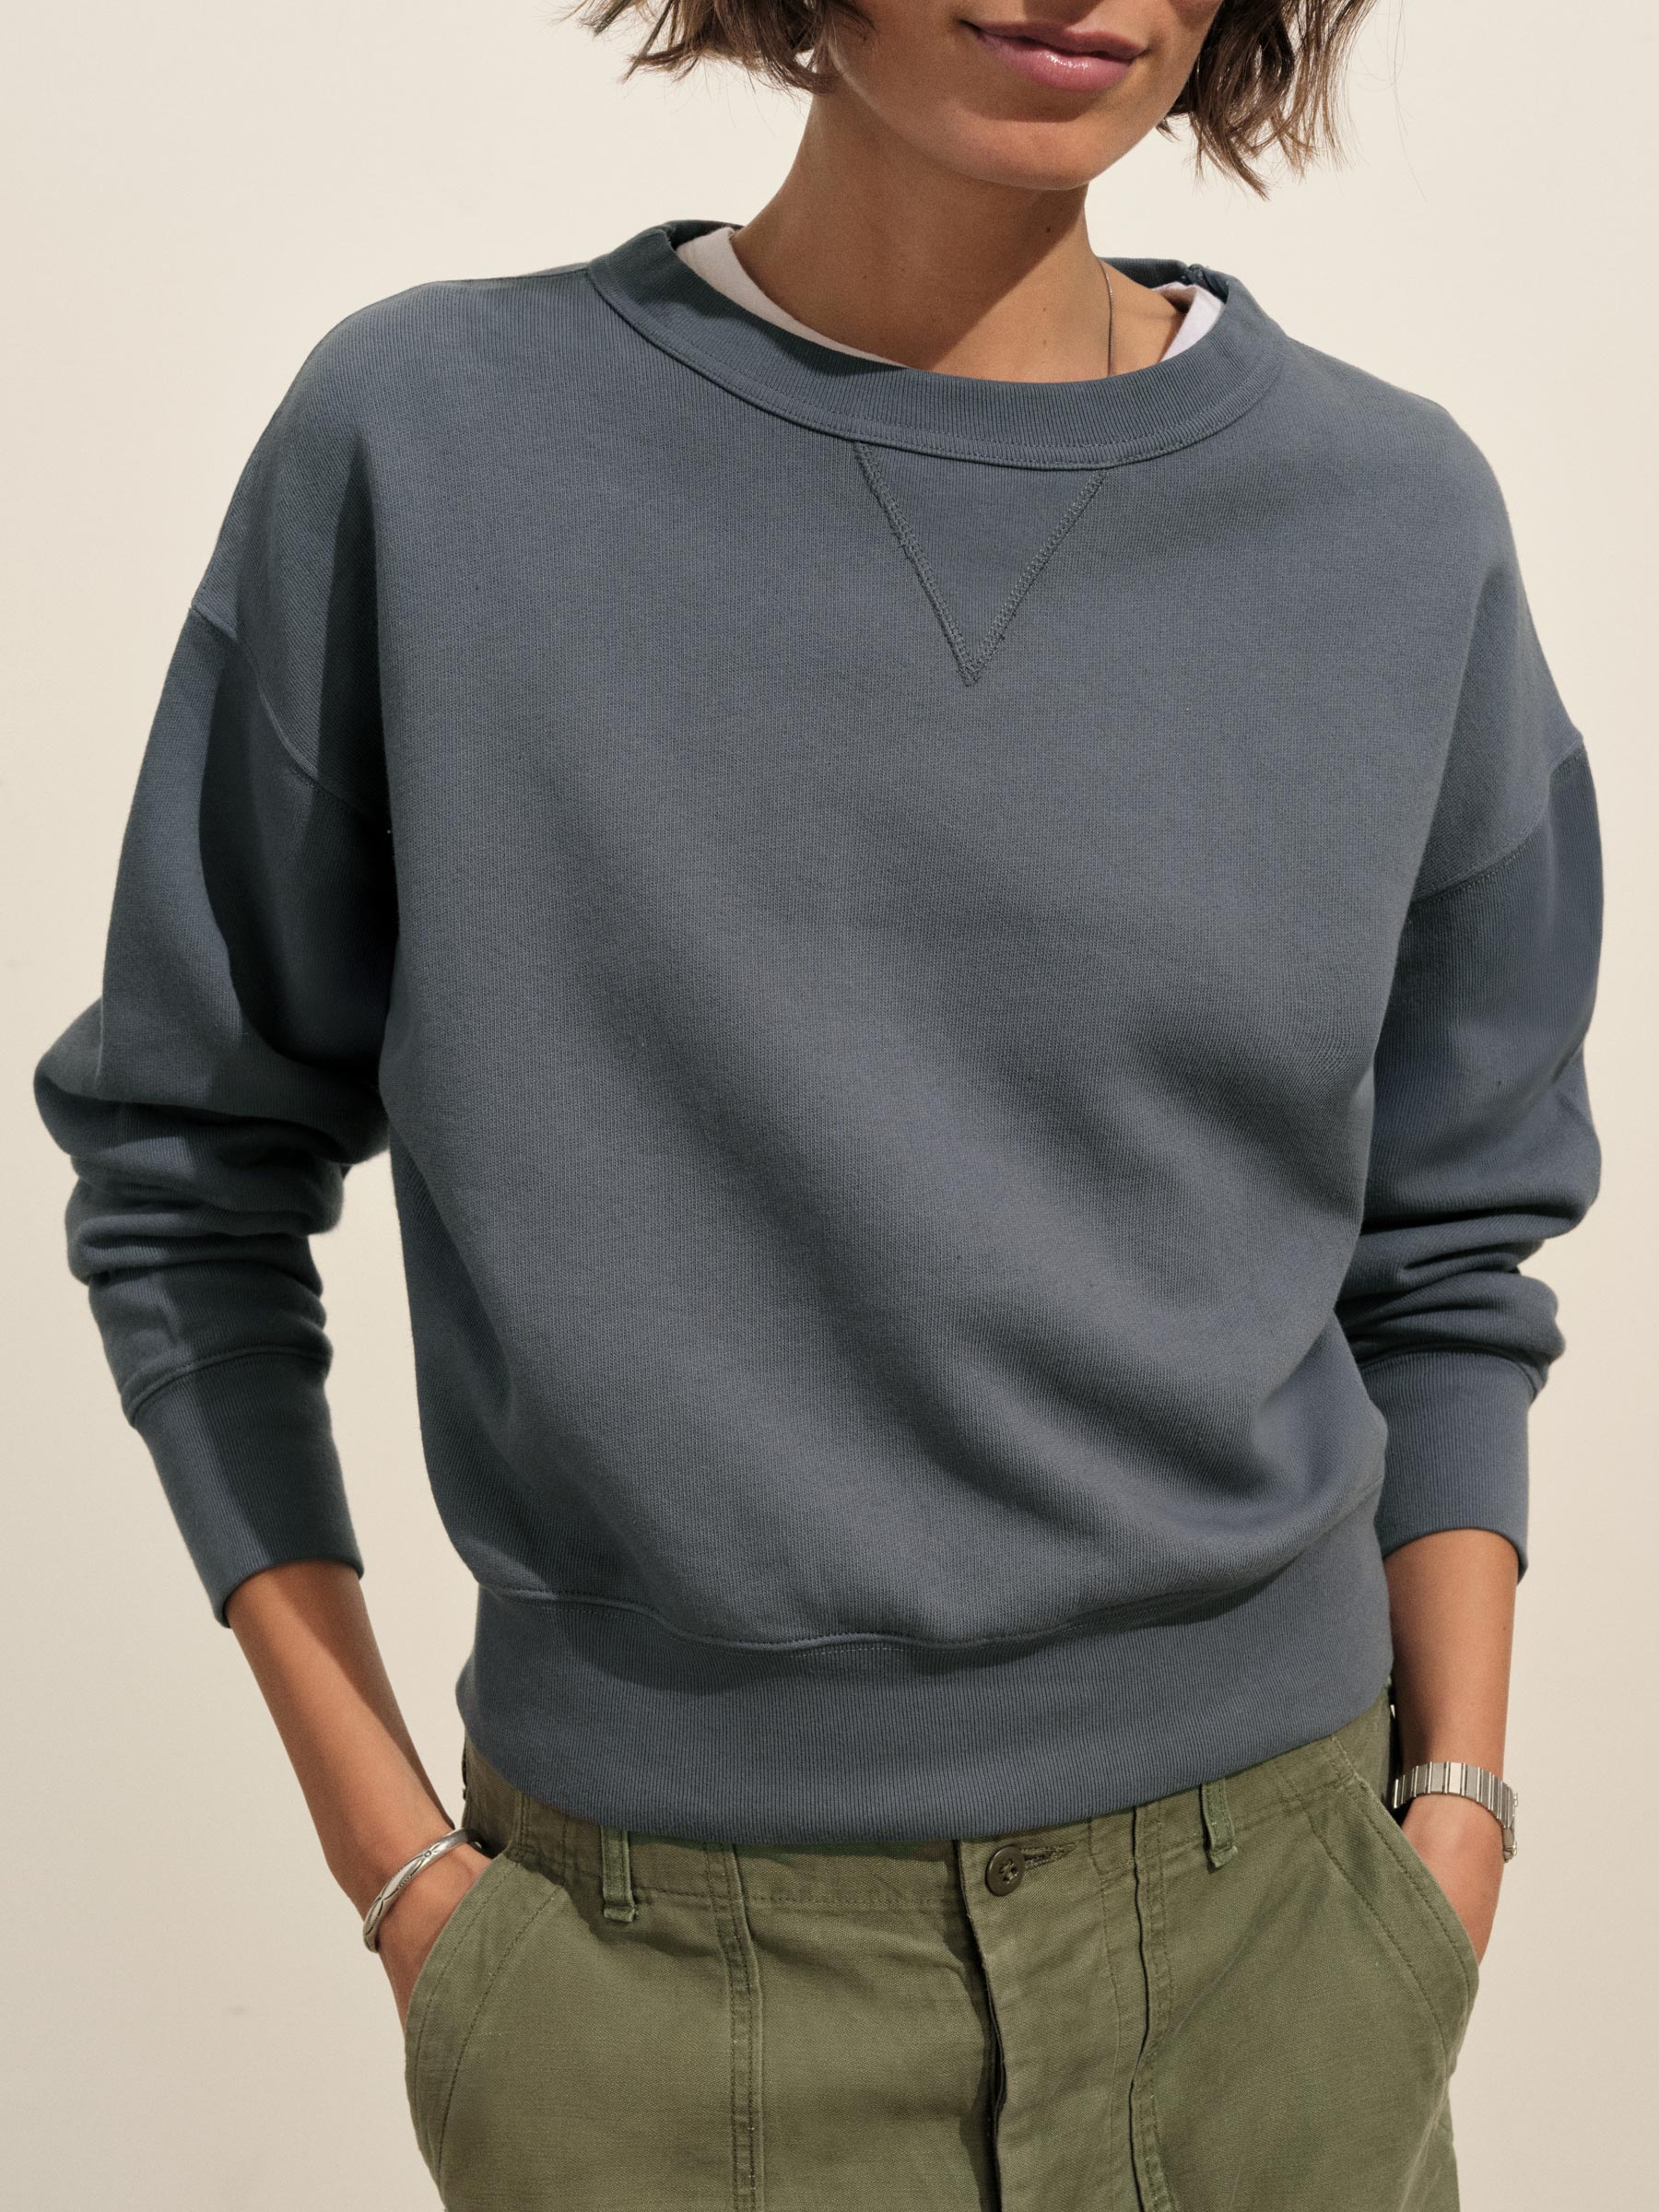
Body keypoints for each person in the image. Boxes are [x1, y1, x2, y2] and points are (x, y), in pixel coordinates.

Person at [33, 2, 1604, 2206]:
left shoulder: (1391, 518)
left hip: (1282, 1957)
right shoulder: (431, 446)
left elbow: (1449, 1243)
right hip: (648, 1990)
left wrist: (1456, 1830)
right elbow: (185, 1170)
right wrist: (403, 1879)